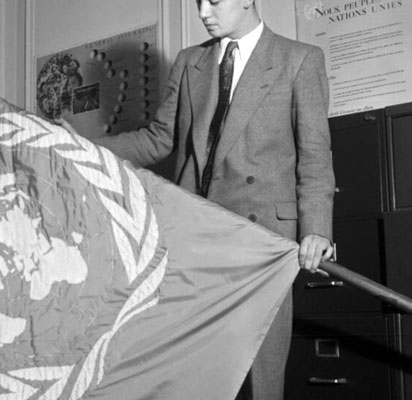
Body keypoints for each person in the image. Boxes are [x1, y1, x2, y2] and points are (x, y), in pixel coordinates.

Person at [77, 0, 336, 398]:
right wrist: (81, 146)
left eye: (214, 1)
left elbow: (315, 155)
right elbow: (158, 139)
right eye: (198, 2)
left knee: (259, 376)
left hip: (261, 243)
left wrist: (317, 230)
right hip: (197, 237)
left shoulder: (299, 59)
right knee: (189, 367)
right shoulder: (189, 62)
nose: (203, 12)